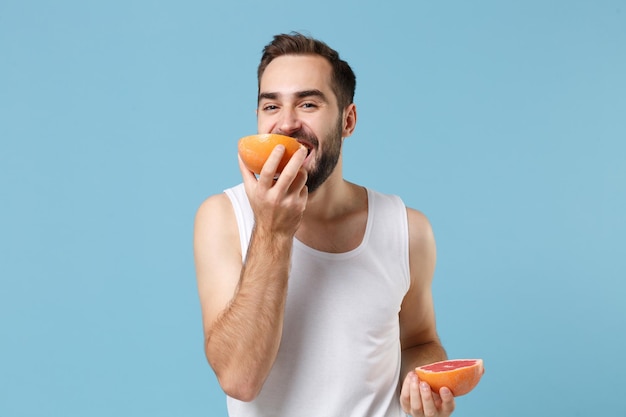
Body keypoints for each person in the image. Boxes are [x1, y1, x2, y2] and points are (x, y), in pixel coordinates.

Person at [194, 32, 456, 417]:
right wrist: (273, 229)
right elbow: (239, 379)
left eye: (308, 103)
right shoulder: (223, 217)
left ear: (348, 120)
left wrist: (423, 387)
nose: (286, 123)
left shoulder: (407, 229)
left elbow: (420, 342)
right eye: (271, 106)